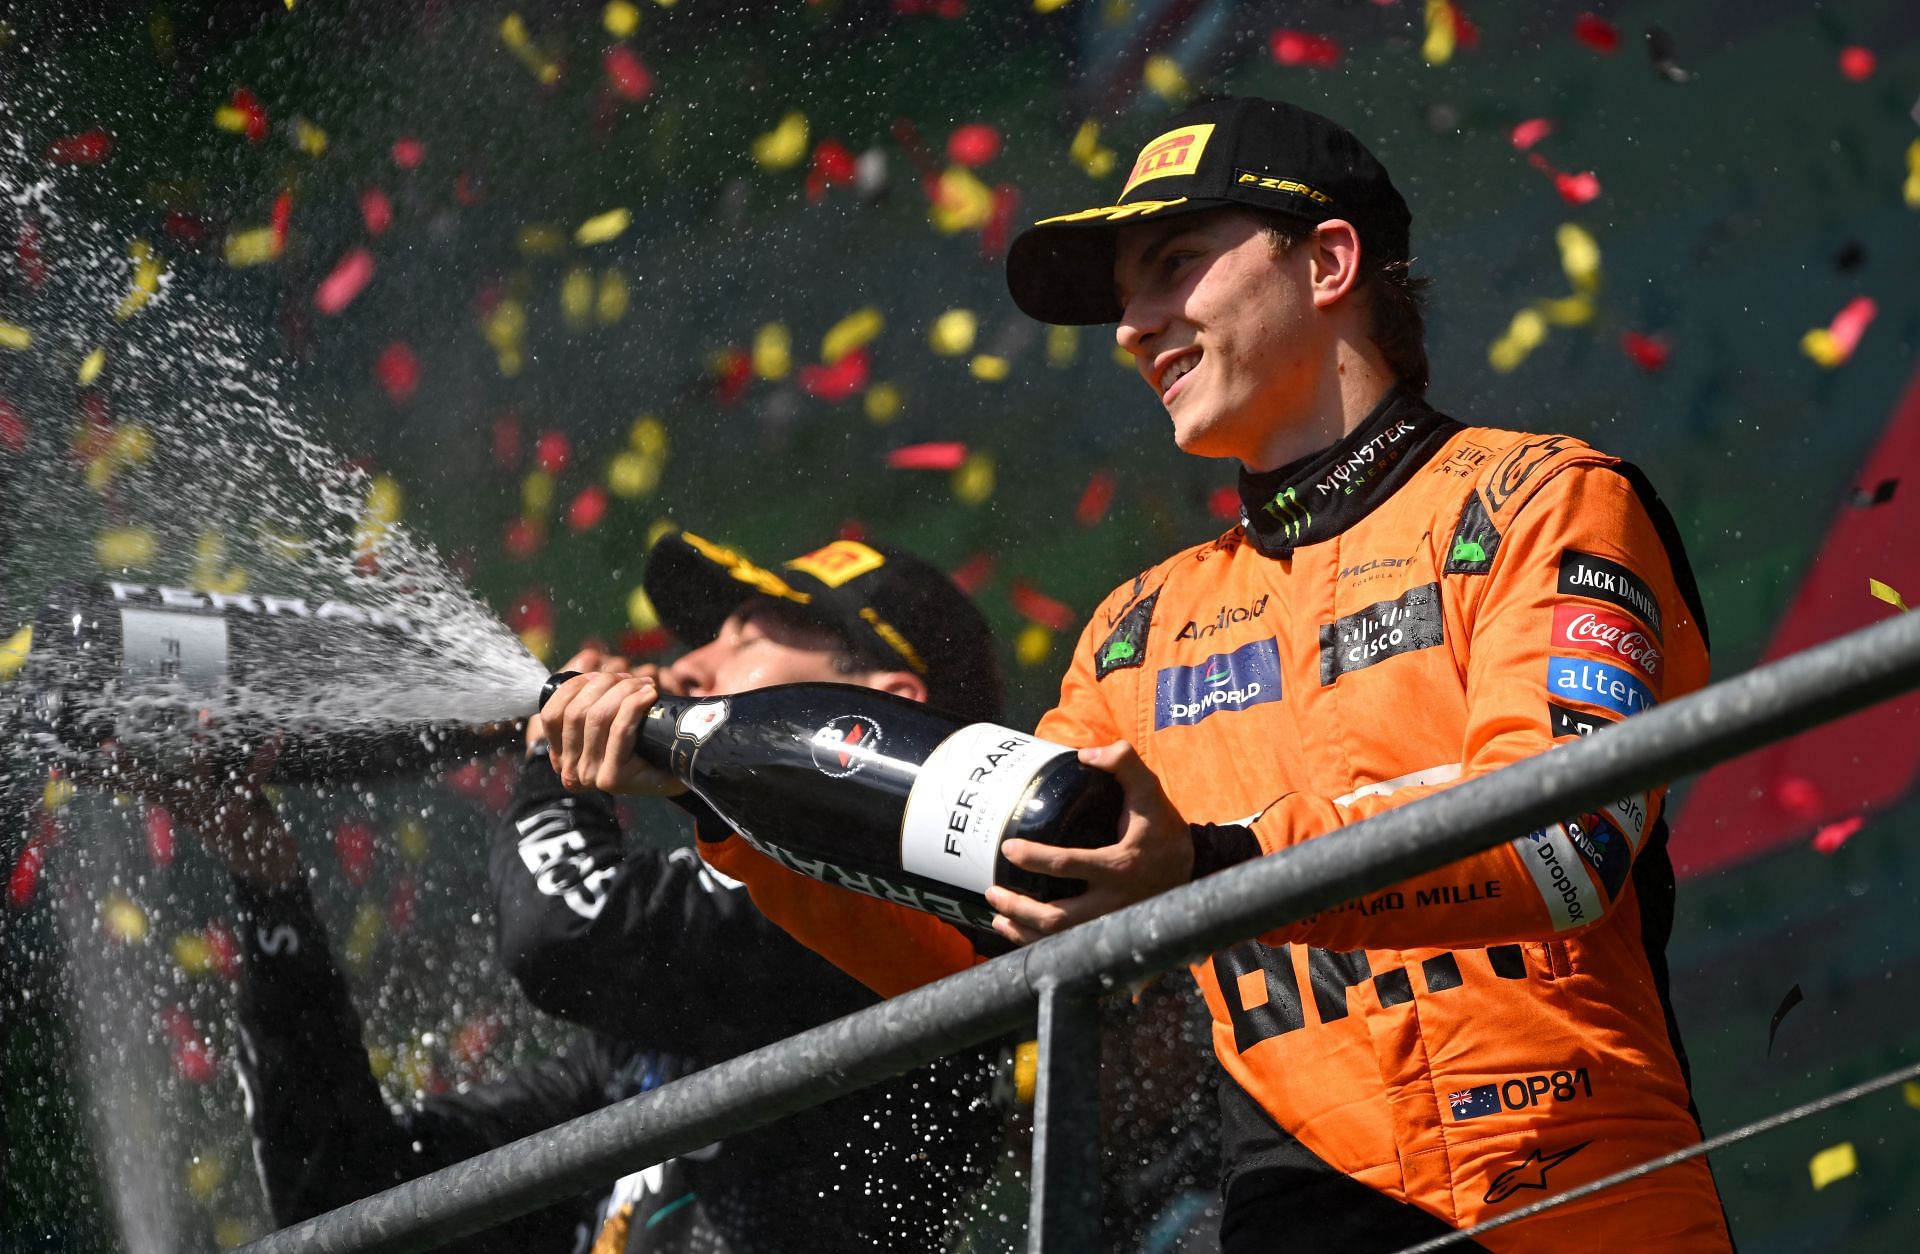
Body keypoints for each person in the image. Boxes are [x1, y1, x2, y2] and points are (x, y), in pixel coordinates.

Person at [547, 98, 1733, 1250]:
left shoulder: (1544, 500)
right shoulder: (1136, 634)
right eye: (1124, 299)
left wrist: (1213, 866)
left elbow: (1563, 845)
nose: (1131, 328)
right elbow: (990, 948)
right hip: (1287, 1217)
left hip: (1578, 1205)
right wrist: (729, 805)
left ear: (1327, 261)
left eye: (1174, 265)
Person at [172, 529, 1008, 1252]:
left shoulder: (890, 919)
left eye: (746, 638)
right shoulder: (666, 1026)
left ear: (875, 706)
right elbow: (350, 1203)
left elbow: (564, 936)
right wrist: (266, 881)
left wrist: (555, 762)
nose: (687, 665)